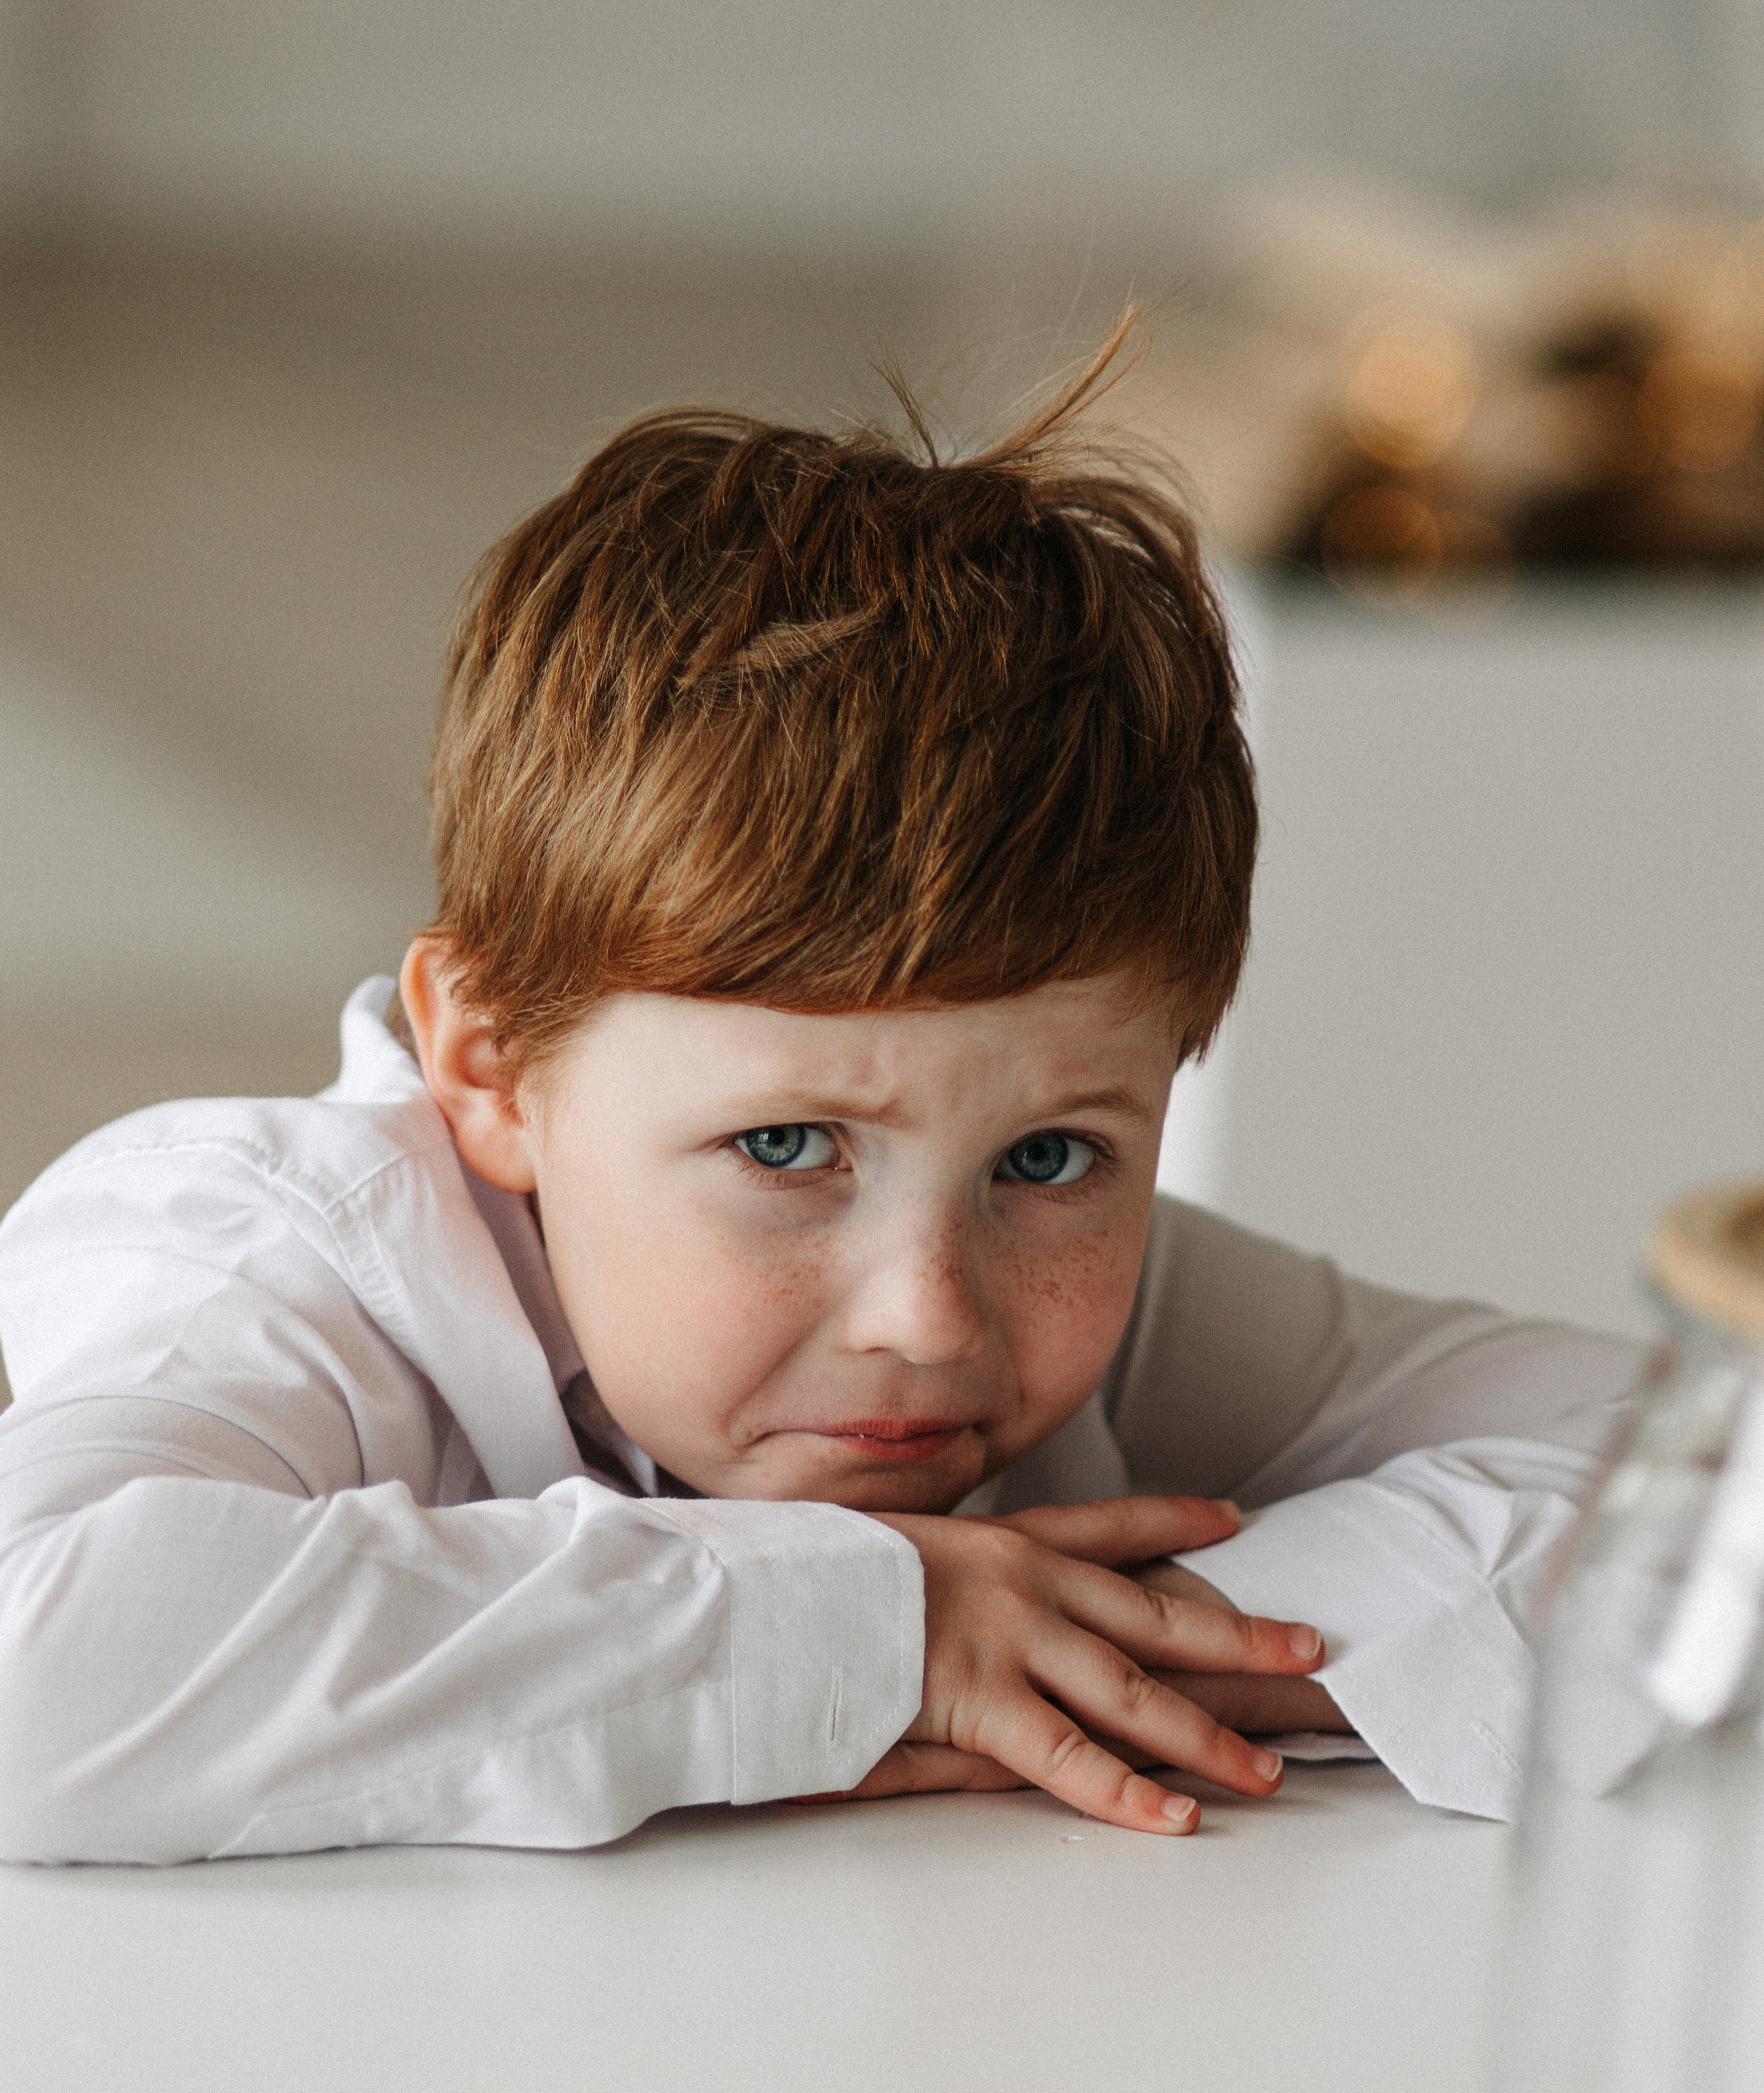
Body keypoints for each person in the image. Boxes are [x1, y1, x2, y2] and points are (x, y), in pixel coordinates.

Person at [0, 338, 1639, 1865]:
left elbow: (1709, 1474)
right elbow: (37, 1660)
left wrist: (1081, 1640)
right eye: (784, 1148)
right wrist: (881, 1630)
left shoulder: (1097, 1315)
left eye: (1052, 1155)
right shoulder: (264, 1249)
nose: (927, 1317)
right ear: (491, 1066)